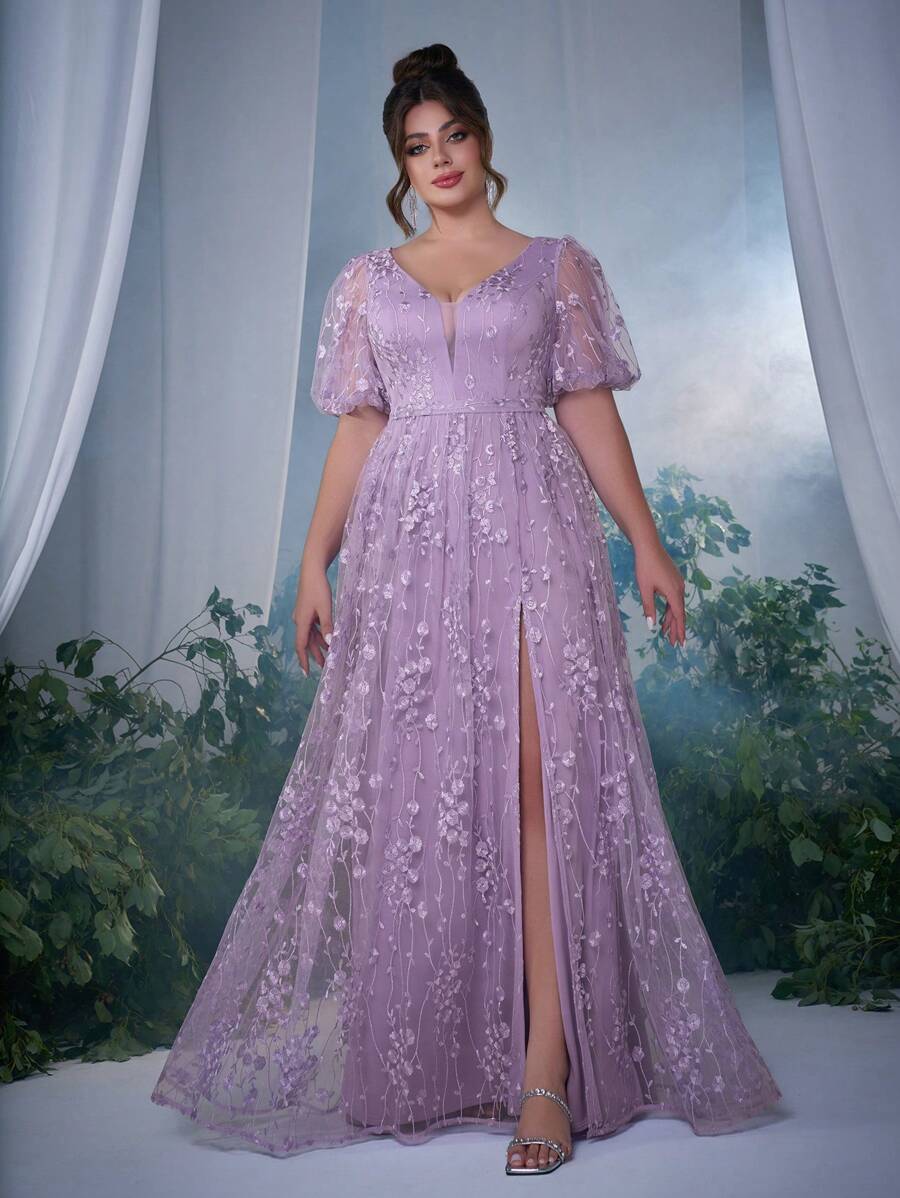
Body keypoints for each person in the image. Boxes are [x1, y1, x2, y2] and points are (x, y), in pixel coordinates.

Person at [151, 42, 782, 1174]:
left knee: (539, 786)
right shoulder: (367, 281)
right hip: (407, 554)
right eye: (416, 146)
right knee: (427, 790)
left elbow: (587, 410)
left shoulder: (556, 267)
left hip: (535, 533)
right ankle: (432, 1052)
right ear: (400, 165)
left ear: (484, 139)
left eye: (453, 136)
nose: (439, 159)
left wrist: (647, 542)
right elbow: (361, 425)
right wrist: (314, 561)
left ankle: (546, 1068)